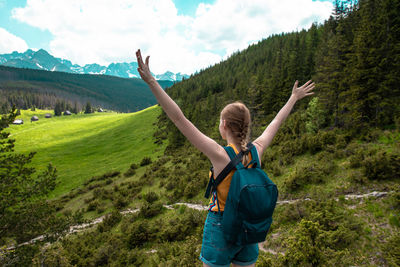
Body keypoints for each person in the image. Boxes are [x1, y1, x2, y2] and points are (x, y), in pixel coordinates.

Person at [135, 49, 315, 267]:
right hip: (248, 228)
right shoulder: (256, 151)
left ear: (225, 126)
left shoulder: (220, 155)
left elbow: (178, 118)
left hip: (221, 226)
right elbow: (275, 124)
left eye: (221, 121)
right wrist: (293, 98)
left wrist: (152, 82)